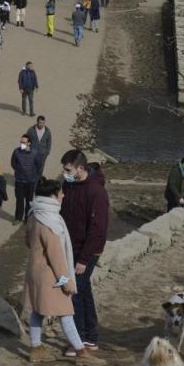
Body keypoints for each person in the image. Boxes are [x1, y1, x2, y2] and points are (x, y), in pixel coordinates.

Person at [23, 180, 107, 366]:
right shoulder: (50, 221)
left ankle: (36, 349)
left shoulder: (34, 214)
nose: (63, 195)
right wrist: (68, 282)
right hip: (50, 276)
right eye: (60, 193)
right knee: (66, 312)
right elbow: (57, 257)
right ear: (53, 195)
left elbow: (28, 241)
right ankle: (81, 352)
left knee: (37, 311)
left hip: (34, 271)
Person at [60, 149, 110, 352]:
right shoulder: (69, 185)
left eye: (68, 169)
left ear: (80, 168)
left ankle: (79, 339)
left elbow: (98, 230)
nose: (64, 172)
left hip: (86, 252)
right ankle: (91, 336)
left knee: (75, 292)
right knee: (84, 291)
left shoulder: (96, 192)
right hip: (71, 247)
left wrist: (83, 259)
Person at [11, 135, 40, 224]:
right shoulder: (16, 152)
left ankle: (28, 219)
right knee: (19, 200)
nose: (22, 144)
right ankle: (18, 218)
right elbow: (13, 163)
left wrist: (32, 173)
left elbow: (38, 164)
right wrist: (19, 170)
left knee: (29, 201)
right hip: (19, 181)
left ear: (29, 143)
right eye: (21, 142)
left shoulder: (34, 153)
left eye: (24, 142)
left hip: (30, 182)